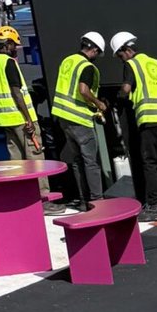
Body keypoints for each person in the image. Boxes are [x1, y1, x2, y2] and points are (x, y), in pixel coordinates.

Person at [110, 30, 157, 218]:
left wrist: (118, 99)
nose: (121, 60)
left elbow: (126, 89)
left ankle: (155, 205)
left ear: (126, 50)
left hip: (149, 120)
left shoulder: (132, 64)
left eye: (120, 56)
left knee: (150, 163)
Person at [51, 31, 107, 210]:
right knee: (91, 161)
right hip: (80, 119)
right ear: (94, 50)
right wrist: (98, 103)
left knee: (77, 161)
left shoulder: (68, 61)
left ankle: (83, 200)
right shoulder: (87, 66)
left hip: (63, 117)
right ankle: (97, 200)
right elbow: (83, 90)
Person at [0, 26, 42, 158]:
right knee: (35, 158)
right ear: (8, 44)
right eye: (14, 45)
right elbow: (16, 93)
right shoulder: (8, 62)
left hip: (4, 121)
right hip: (20, 119)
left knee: (16, 159)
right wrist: (28, 119)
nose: (16, 49)